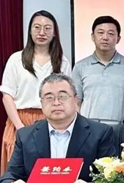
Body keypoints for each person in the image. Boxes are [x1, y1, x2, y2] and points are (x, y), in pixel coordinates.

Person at [0, 74, 117, 183]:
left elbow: (114, 178)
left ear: (75, 100)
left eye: (63, 96)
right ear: (41, 103)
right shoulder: (25, 135)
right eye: (49, 97)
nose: (56, 103)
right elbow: (8, 178)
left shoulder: (100, 133)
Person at [0, 10, 71, 173]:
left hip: (51, 119)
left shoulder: (62, 62)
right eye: (37, 27)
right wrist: (20, 127)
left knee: (47, 169)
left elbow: (65, 95)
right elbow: (7, 96)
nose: (42, 32)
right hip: (20, 118)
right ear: (30, 31)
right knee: (16, 171)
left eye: (47, 28)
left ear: (54, 33)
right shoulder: (16, 59)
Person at [71, 16, 124, 146]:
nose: (105, 37)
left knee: (117, 160)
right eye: (100, 33)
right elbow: (76, 103)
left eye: (111, 33)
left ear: (118, 39)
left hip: (117, 130)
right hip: (87, 129)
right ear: (92, 37)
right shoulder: (80, 66)